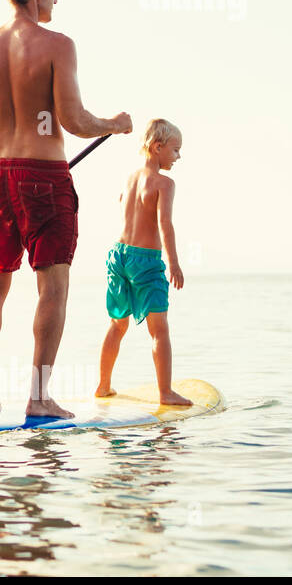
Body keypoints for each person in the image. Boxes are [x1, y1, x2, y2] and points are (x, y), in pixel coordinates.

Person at [0, 0, 132, 418]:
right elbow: (74, 120)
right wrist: (114, 124)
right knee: (52, 288)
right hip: (43, 178)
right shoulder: (58, 44)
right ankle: (38, 398)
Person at [96, 119, 192, 406]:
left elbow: (123, 200)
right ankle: (165, 393)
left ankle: (103, 385)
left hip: (118, 255)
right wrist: (173, 263)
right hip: (146, 261)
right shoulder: (165, 183)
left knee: (117, 324)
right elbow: (165, 224)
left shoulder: (130, 177)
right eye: (175, 150)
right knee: (159, 329)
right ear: (157, 147)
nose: (178, 157)